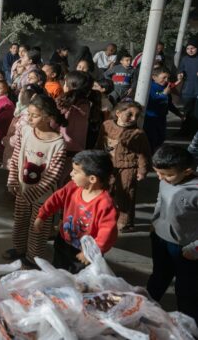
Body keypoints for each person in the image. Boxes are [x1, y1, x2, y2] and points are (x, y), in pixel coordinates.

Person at [5, 94, 68, 266]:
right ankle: (19, 250)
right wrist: (12, 180)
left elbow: (53, 173)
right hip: (22, 190)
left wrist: (35, 192)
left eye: (35, 115)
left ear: (48, 116)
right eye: (29, 114)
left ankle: (33, 258)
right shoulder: (25, 131)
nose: (29, 118)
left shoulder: (58, 143)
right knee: (20, 221)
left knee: (38, 228)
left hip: (42, 196)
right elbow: (17, 155)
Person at [34, 150, 118, 274]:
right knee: (58, 271)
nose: (71, 174)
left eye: (76, 171)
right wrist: (42, 215)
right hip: (63, 241)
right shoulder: (72, 187)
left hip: (85, 253)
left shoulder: (106, 205)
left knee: (79, 281)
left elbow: (107, 233)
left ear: (92, 178)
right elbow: (55, 199)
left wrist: (90, 253)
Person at [147, 145, 198, 324]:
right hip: (160, 241)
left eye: (167, 174)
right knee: (158, 277)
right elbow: (160, 200)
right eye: (158, 173)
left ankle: (188, 325)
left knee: (186, 289)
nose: (161, 178)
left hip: (187, 249)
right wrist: (154, 222)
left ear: (187, 171)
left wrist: (194, 248)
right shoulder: (164, 181)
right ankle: (145, 310)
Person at [97, 100, 150, 232]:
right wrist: (95, 160)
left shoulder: (138, 134)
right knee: (105, 192)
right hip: (107, 166)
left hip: (128, 167)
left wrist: (142, 170)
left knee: (125, 194)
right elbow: (99, 144)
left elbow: (144, 154)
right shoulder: (107, 125)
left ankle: (124, 222)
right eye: (129, 114)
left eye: (136, 116)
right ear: (118, 113)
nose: (133, 119)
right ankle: (104, 217)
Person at [144, 67, 172, 151]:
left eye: (168, 78)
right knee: (151, 139)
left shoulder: (166, 87)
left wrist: (179, 114)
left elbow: (169, 103)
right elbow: (150, 102)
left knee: (161, 138)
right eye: (164, 77)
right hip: (150, 119)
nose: (166, 80)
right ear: (154, 77)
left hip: (162, 118)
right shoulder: (149, 88)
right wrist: (163, 94)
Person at [0, 80, 16, 155]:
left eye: (0, 88)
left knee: (1, 143)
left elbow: (8, 115)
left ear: (6, 89)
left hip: (2, 127)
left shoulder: (7, 102)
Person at [178, 39, 198, 136]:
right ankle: (184, 131)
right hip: (188, 90)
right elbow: (180, 70)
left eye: (192, 48)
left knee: (196, 113)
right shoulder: (184, 59)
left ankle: (194, 132)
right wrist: (180, 74)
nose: (190, 50)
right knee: (187, 112)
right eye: (188, 48)